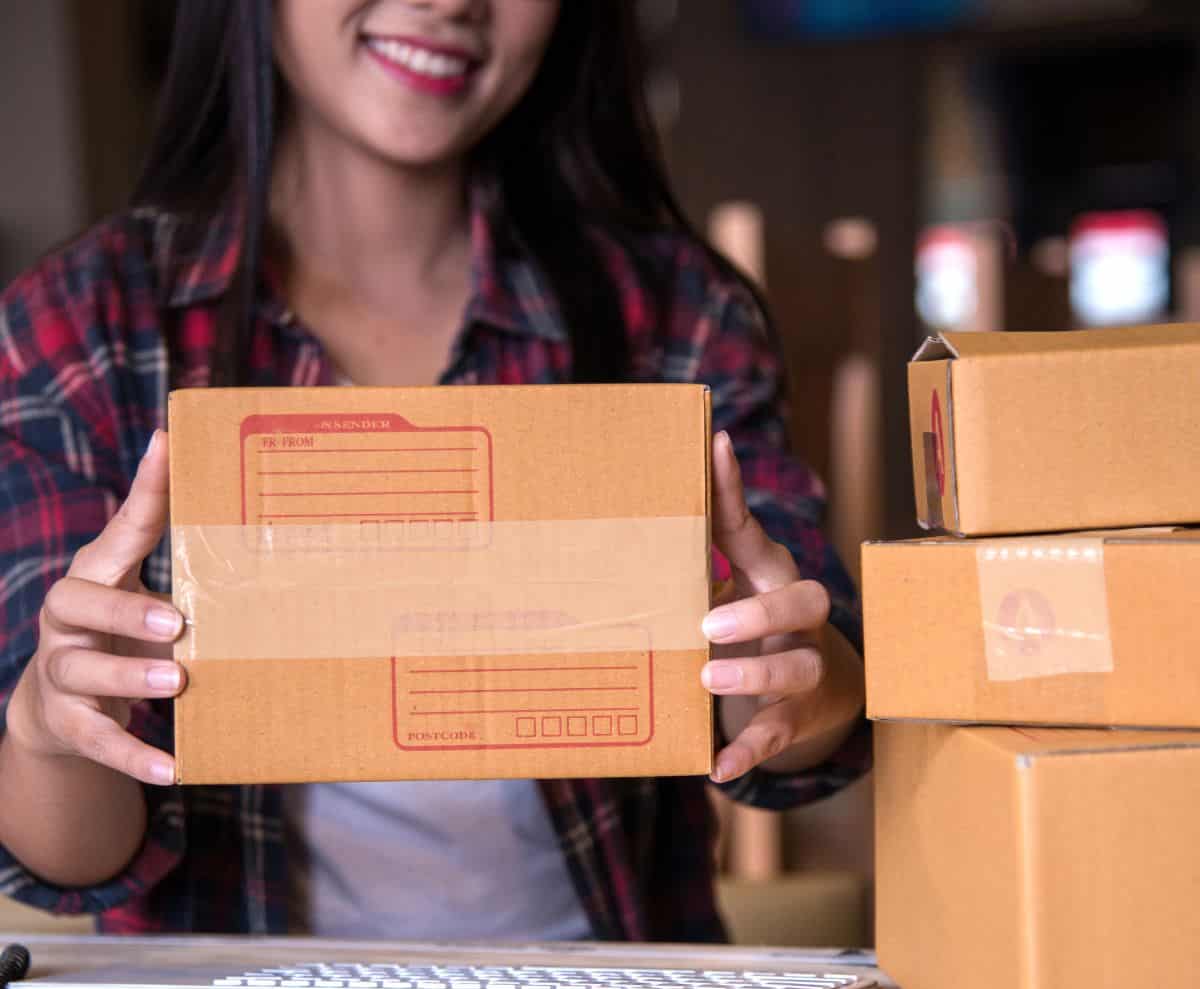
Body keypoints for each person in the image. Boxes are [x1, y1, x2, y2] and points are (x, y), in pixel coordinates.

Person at [0, 0, 867, 940]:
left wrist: (791, 676)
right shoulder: (83, 326)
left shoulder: (673, 310)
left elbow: (827, 715)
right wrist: (56, 725)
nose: (450, 1)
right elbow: (71, 858)